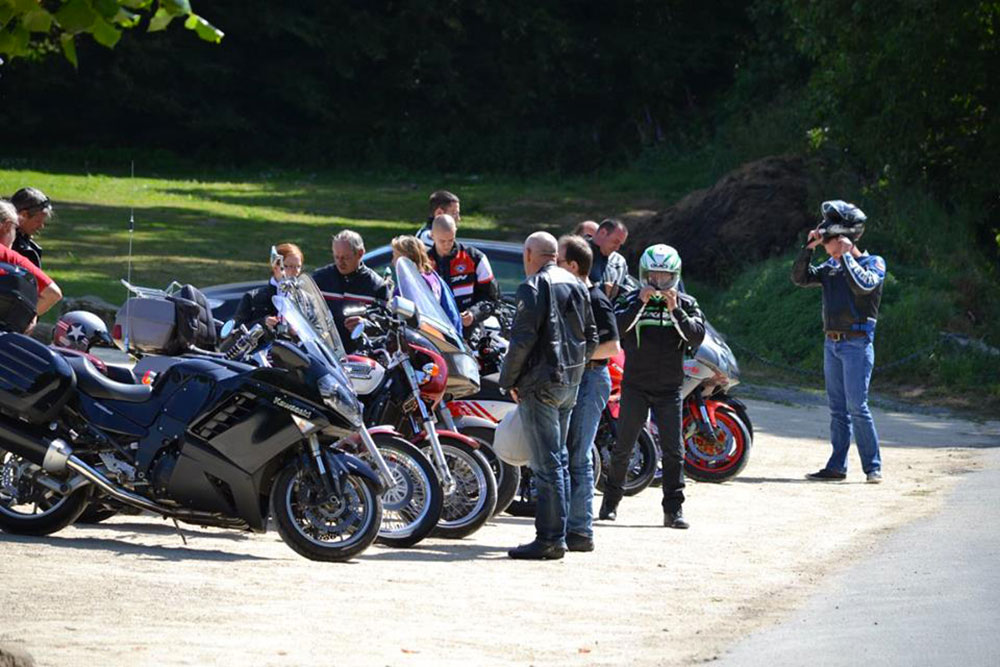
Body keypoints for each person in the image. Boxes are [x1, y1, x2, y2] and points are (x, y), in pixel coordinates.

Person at [499, 231, 597, 560]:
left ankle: (550, 538)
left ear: (529, 254)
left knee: (547, 463)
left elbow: (522, 339)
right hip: (570, 381)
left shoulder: (533, 285)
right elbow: (592, 337)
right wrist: (576, 370)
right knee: (561, 461)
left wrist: (508, 379)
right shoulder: (576, 283)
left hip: (541, 384)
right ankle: (566, 533)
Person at [601, 244, 705, 529]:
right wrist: (640, 302)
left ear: (675, 276)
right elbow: (615, 331)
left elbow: (696, 337)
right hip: (635, 385)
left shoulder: (686, 302)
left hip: (670, 388)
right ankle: (610, 503)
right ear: (644, 275)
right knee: (623, 447)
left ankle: (674, 510)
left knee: (674, 450)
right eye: (653, 276)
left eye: (665, 276)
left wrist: (675, 310)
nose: (658, 282)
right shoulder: (630, 299)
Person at [792, 200, 885, 484]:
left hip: (857, 343)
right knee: (837, 408)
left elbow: (863, 286)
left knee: (858, 406)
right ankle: (836, 467)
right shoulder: (831, 266)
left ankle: (873, 468)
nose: (826, 247)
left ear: (843, 240)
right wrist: (808, 249)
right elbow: (800, 278)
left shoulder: (874, 263)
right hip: (832, 343)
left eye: (828, 242)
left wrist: (845, 257)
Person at [557, 234, 620, 552]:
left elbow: (612, 346)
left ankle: (581, 531)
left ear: (572, 265)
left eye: (557, 261)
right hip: (573, 379)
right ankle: (565, 525)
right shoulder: (567, 294)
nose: (552, 267)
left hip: (591, 379)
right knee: (565, 453)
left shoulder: (595, 297)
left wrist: (574, 355)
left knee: (579, 455)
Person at [312, 230, 390, 350]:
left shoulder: (376, 285)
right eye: (336, 257)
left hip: (359, 354)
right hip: (325, 352)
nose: (340, 262)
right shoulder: (319, 279)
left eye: (345, 257)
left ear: (360, 253)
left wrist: (365, 325)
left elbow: (385, 326)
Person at [427, 213, 501, 332]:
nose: (447, 245)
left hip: (470, 333)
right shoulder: (423, 262)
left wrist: (474, 314)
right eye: (442, 241)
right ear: (432, 235)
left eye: (451, 240)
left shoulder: (475, 258)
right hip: (435, 332)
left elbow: (491, 298)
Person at [390, 235, 463, 334]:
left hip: (425, 337)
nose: (392, 261)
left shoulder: (415, 283)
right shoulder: (431, 276)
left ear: (406, 257)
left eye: (395, 255)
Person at [0, 200, 62, 317]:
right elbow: (52, 294)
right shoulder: (8, 256)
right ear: (7, 226)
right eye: (15, 230)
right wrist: (22, 321)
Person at [233, 243, 303, 330]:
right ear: (275, 266)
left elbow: (317, 330)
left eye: (298, 266)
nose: (295, 271)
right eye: (289, 266)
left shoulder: (305, 299)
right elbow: (236, 330)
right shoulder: (252, 297)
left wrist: (298, 332)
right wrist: (262, 323)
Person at [584, 219, 630, 300]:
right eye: (616, 241)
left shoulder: (619, 261)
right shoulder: (578, 253)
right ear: (603, 233)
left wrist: (620, 290)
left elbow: (629, 285)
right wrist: (601, 289)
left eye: (620, 244)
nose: (617, 248)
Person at [10, 187, 52, 268]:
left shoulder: (24, 243)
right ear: (23, 215)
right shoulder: (11, 246)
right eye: (38, 221)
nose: (41, 226)